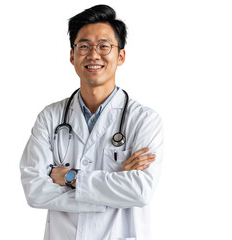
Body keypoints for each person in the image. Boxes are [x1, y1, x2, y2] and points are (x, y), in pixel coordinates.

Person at [20, 4, 164, 240]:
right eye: (84, 46)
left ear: (121, 56)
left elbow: (140, 191)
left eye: (104, 46)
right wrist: (115, 185)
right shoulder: (50, 117)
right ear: (72, 55)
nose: (93, 54)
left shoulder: (144, 120)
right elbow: (34, 191)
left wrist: (71, 178)